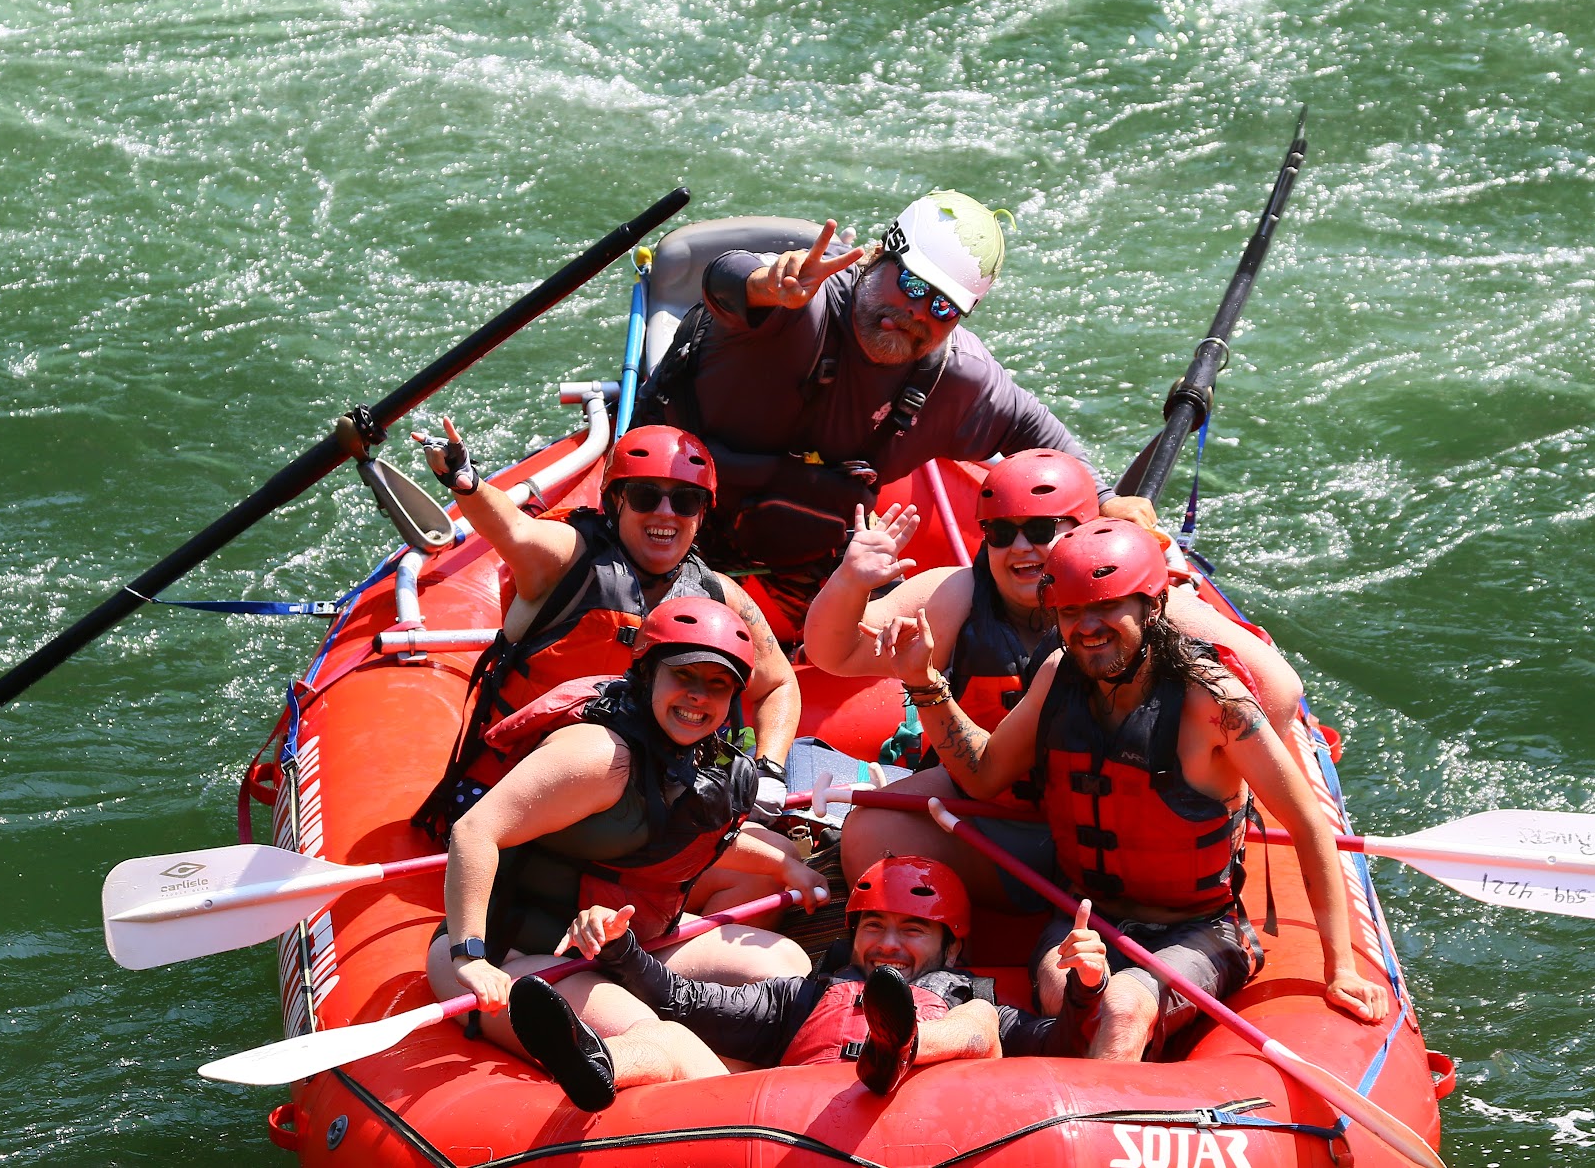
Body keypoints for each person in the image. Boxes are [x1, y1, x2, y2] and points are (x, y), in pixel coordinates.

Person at [861, 520, 1390, 1060]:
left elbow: (1306, 823)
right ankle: (996, 1044)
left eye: (1107, 607)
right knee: (1062, 993)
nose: (1087, 626)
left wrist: (1340, 968)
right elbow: (983, 773)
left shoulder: (1214, 702)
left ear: (1153, 606)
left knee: (1123, 1007)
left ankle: (1036, 1064)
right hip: (1084, 916)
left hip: (1198, 929)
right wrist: (923, 681)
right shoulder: (1057, 675)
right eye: (1071, 611)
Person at [805, 451, 1312, 912]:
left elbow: (1279, 692)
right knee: (871, 832)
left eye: (1041, 529)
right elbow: (835, 653)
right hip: (989, 804)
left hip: (1116, 818)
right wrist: (850, 581)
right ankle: (1012, 908)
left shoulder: (1146, 608)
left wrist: (1195, 771)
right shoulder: (954, 595)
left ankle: (1087, 896)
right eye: (1000, 532)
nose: (1020, 547)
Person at [634, 193, 1159, 619]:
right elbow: (727, 279)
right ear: (879, 255)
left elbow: (1042, 437)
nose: (917, 313)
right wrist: (768, 284)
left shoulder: (958, 378)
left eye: (944, 306)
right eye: (911, 283)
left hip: (803, 556)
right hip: (665, 519)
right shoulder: (798, 304)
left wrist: (1108, 501)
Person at [419, 598, 825, 1061]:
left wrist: (786, 868)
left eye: (717, 684)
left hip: (620, 946)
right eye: (684, 675)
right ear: (648, 673)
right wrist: (469, 956)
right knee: (657, 1040)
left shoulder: (695, 757)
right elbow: (475, 830)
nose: (698, 696)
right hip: (510, 953)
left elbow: (687, 844)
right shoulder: (599, 754)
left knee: (785, 966)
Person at [505, 856, 1112, 1110]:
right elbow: (682, 1000)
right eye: (874, 927)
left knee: (978, 1026)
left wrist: (1085, 988)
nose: (889, 945)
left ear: (952, 946)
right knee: (667, 1036)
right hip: (791, 1125)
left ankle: (901, 1047)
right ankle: (595, 1062)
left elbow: (1061, 1047)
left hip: (921, 1117)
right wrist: (620, 948)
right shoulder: (803, 995)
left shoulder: (974, 1002)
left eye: (913, 930)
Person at [417, 418, 799, 819]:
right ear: (616, 502)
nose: (665, 513)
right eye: (645, 496)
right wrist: (466, 483)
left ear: (701, 514)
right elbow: (516, 530)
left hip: (641, 804)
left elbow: (778, 683)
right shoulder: (568, 559)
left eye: (685, 501)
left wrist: (769, 769)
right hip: (516, 787)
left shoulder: (718, 595)